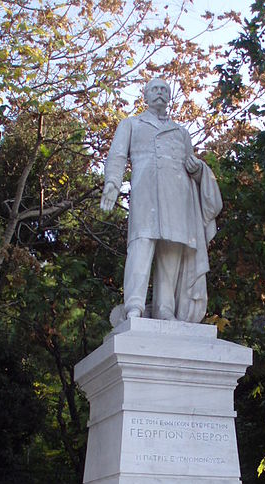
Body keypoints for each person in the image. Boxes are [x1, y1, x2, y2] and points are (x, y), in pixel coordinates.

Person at [100, 77, 222, 323]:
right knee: (141, 245)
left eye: (164, 90)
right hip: (146, 195)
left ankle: (165, 308)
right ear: (145, 96)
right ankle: (134, 306)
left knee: (172, 251)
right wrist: (112, 183)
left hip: (179, 198)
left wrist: (198, 170)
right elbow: (117, 155)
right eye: (154, 89)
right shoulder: (131, 124)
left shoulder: (181, 133)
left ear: (169, 97)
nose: (159, 93)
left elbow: (192, 168)